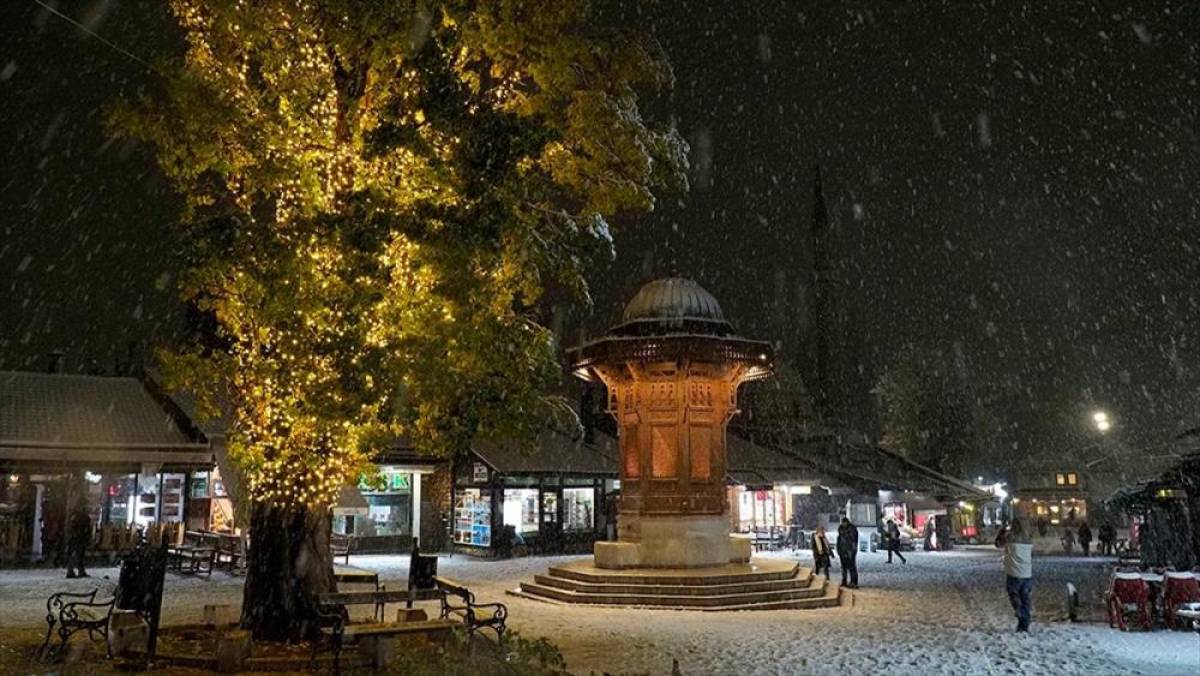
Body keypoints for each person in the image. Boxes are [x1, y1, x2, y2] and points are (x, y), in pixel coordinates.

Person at [995, 518, 1034, 632]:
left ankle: (1020, 613)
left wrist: (1002, 532)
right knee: (1025, 598)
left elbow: (997, 544)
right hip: (1027, 573)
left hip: (1013, 572)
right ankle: (1024, 623)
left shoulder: (1010, 538)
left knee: (1014, 596)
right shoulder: (1028, 539)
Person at [64, 493, 92, 579]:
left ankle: (77, 570)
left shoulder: (76, 514)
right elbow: (76, 526)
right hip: (77, 537)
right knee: (76, 554)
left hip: (78, 537)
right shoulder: (78, 515)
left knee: (78, 554)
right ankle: (72, 571)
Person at [837, 517, 859, 588]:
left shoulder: (852, 529)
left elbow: (853, 539)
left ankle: (854, 582)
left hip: (850, 550)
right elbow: (839, 539)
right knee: (844, 567)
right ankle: (844, 581)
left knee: (851, 566)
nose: (843, 524)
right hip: (842, 550)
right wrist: (839, 549)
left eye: (844, 523)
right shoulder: (840, 529)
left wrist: (852, 549)